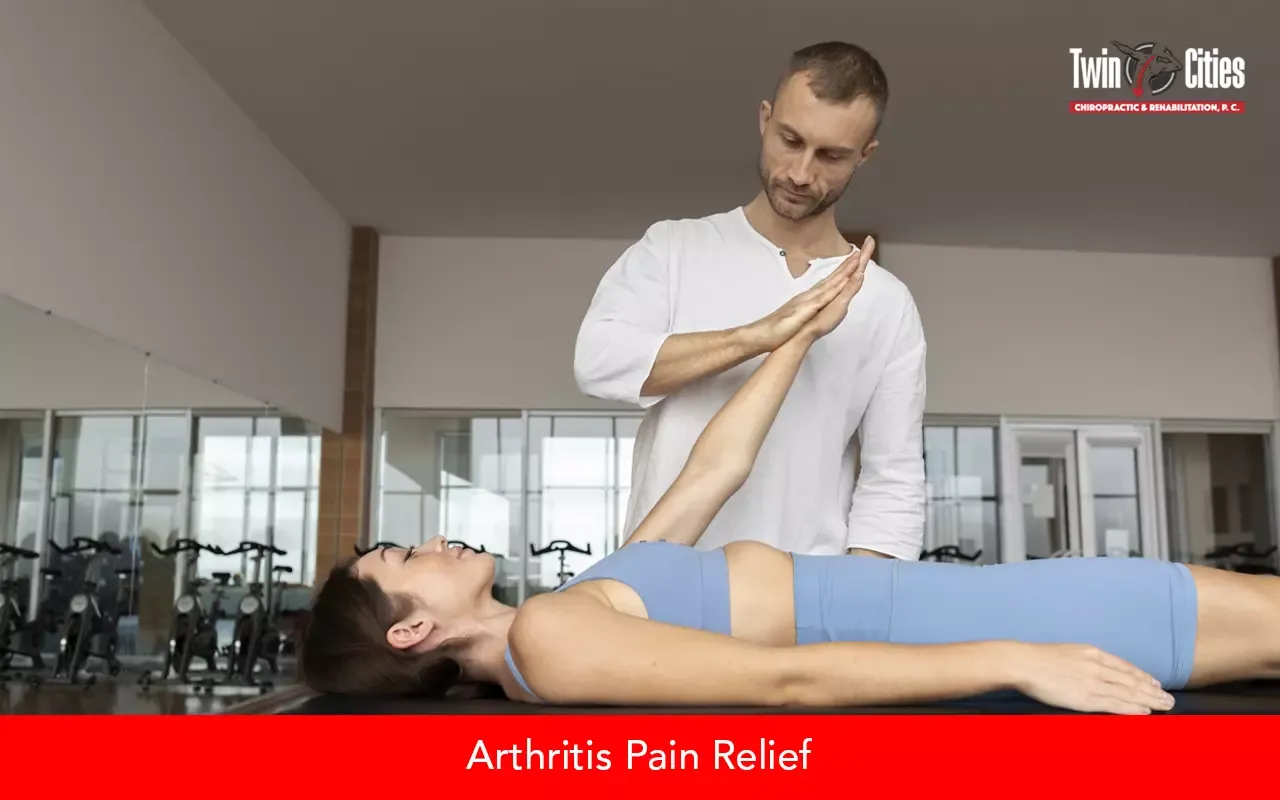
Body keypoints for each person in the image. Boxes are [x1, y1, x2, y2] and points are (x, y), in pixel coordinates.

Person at [299, 251, 1280, 715]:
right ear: (409, 629)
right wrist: (1018, 655)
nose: (428, 541)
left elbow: (714, 467)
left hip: (975, 603)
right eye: (403, 556)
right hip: (981, 620)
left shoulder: (572, 607)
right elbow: (785, 678)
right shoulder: (549, 641)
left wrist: (791, 332)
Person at [572, 41, 925, 560]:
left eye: (831, 155)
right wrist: (757, 336)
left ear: (864, 155)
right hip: (665, 580)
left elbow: (893, 479)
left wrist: (851, 609)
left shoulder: (887, 303)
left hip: (806, 600)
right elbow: (598, 363)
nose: (802, 173)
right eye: (790, 140)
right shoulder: (673, 248)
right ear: (765, 120)